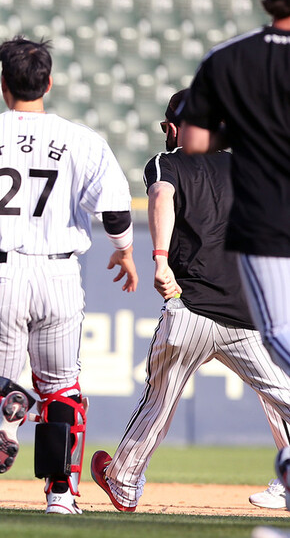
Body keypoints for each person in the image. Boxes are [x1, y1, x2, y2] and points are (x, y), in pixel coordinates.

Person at [0, 36, 137, 514]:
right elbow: (115, 210)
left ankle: (6, 405)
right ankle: (62, 496)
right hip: (60, 274)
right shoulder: (82, 139)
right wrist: (125, 251)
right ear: (49, 83)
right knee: (63, 392)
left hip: (0, 272)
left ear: (2, 83)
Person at [91, 89, 290, 513]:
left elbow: (162, 196)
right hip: (245, 313)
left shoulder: (169, 161)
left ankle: (123, 481)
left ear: (177, 126)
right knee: (284, 395)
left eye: (168, 125)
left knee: (160, 398)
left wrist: (159, 258)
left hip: (190, 308)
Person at [178, 0, 290, 503]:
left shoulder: (230, 59)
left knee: (278, 337)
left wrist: (239, 122)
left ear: (269, 1)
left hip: (269, 221)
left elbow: (195, 142)